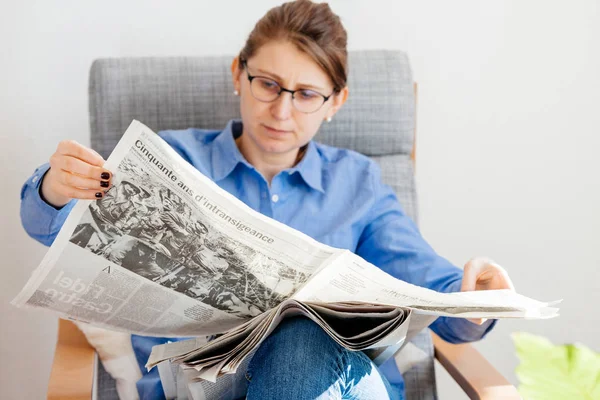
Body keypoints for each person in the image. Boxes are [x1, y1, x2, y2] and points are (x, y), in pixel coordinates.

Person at [19, 1, 515, 399]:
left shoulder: (358, 183)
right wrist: (55, 187)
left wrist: (476, 299)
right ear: (239, 73)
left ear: (335, 102)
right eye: (268, 84)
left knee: (306, 332)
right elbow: (53, 227)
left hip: (345, 387)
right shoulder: (172, 158)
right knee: (299, 338)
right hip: (205, 386)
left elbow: (431, 286)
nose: (281, 110)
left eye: (305, 94)